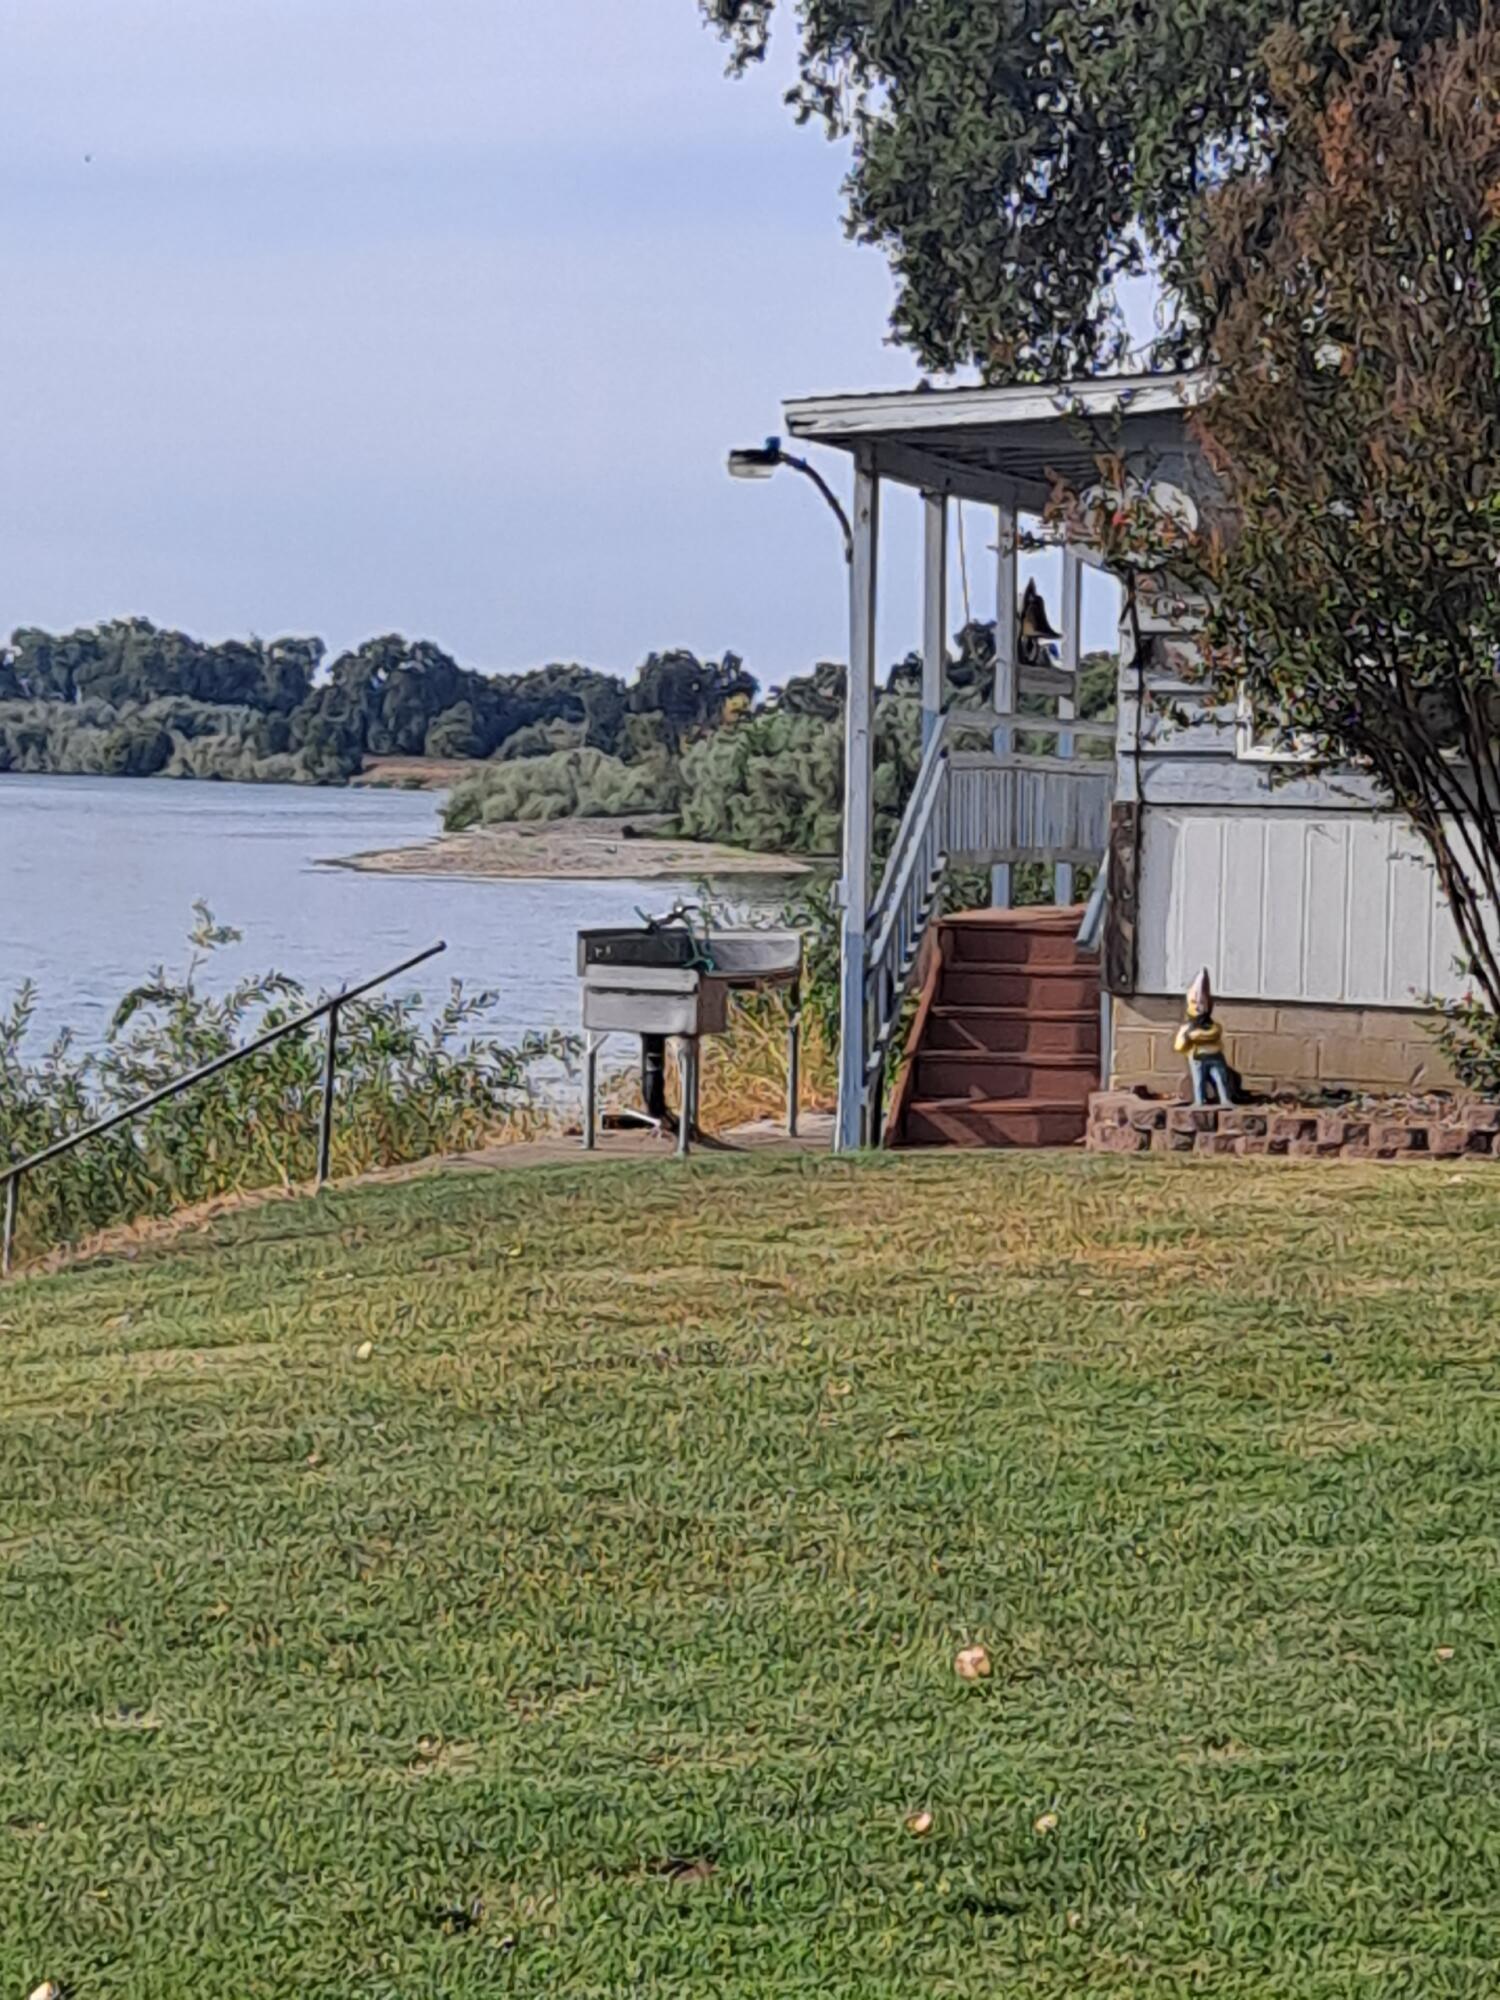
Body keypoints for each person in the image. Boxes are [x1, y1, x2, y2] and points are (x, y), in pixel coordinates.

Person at [1173, 968, 1237, 1106]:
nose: (1197, 1007)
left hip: (1215, 1057)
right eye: (1194, 1003)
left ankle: (1225, 1100)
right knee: (1198, 1080)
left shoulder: (1212, 1026)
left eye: (1201, 1003)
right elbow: (1178, 1045)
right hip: (1197, 1059)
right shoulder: (1187, 1028)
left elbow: (1213, 1033)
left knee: (1220, 1078)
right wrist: (1186, 1037)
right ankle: (1199, 1101)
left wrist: (1194, 1036)